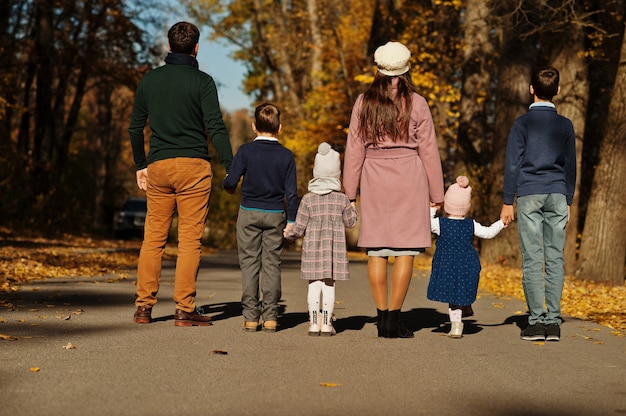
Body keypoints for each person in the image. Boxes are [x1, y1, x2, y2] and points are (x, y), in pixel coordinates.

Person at [128, 22, 234, 327]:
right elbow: (215, 127)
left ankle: (143, 307)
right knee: (189, 241)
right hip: (194, 168)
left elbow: (136, 128)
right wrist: (231, 165)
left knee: (153, 240)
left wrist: (140, 164)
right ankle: (184, 309)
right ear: (196, 48)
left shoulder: (150, 81)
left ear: (169, 46)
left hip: (159, 166)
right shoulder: (203, 82)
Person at [343, 41, 445, 338]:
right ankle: (394, 321)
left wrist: (349, 192)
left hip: (374, 177)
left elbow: (354, 149)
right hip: (409, 178)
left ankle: (382, 317)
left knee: (376, 250)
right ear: (406, 68)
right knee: (405, 251)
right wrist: (436, 195)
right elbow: (429, 151)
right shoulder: (418, 103)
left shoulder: (364, 101)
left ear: (378, 68)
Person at [500, 66, 576, 343]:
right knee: (555, 257)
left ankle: (535, 322)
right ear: (557, 90)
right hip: (557, 193)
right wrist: (568, 198)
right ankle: (553, 321)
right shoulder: (565, 125)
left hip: (529, 194)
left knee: (533, 259)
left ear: (531, 89)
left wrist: (508, 201)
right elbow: (571, 166)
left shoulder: (522, 124)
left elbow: (512, 164)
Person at [223, 103, 298, 333]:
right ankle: (272, 317)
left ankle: (251, 318)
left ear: (254, 126)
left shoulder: (246, 151)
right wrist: (292, 221)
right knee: (272, 265)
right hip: (276, 214)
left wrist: (228, 180)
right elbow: (292, 193)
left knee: (249, 265)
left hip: (249, 212)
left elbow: (230, 183)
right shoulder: (286, 156)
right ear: (280, 128)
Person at [284, 142, 358, 336]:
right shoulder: (341, 199)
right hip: (333, 251)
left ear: (316, 171)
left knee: (313, 285)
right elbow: (351, 223)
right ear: (336, 173)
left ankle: (313, 323)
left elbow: (299, 227)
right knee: (329, 285)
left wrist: (289, 233)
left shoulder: (308, 199)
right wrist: (353, 207)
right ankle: (326, 324)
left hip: (312, 250)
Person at [427, 176, 506, 338]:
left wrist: (433, 208)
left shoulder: (440, 224)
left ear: (446, 204)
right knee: (462, 288)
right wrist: (501, 223)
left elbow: (424, 223)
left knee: (453, 295)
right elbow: (489, 233)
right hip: (467, 262)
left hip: (448, 264)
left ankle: (456, 326)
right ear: (467, 207)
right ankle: (466, 305)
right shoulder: (471, 224)